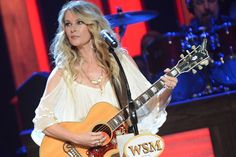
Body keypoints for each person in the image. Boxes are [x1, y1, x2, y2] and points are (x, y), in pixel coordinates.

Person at [31, 0, 178, 155]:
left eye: (79, 22)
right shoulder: (62, 73)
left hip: (120, 148)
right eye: (67, 24)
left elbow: (150, 106)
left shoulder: (120, 60)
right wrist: (78, 138)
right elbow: (42, 120)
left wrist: (166, 89)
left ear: (93, 25)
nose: (72, 29)